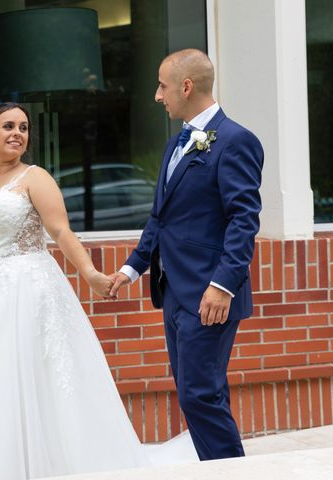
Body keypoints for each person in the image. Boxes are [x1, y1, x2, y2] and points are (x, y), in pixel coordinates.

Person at [0, 102, 197, 479]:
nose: (18, 133)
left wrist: (91, 273)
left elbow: (60, 231)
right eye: (8, 126)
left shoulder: (35, 178)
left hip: (22, 294)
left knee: (24, 380)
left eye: (24, 127)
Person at [110, 49, 264, 461]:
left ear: (186, 86)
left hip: (209, 294)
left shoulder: (235, 141)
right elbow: (161, 218)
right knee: (198, 393)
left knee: (199, 395)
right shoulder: (175, 144)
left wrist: (222, 285)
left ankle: (231, 471)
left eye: (162, 86)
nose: (158, 96)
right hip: (174, 291)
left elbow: (243, 220)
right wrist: (131, 268)